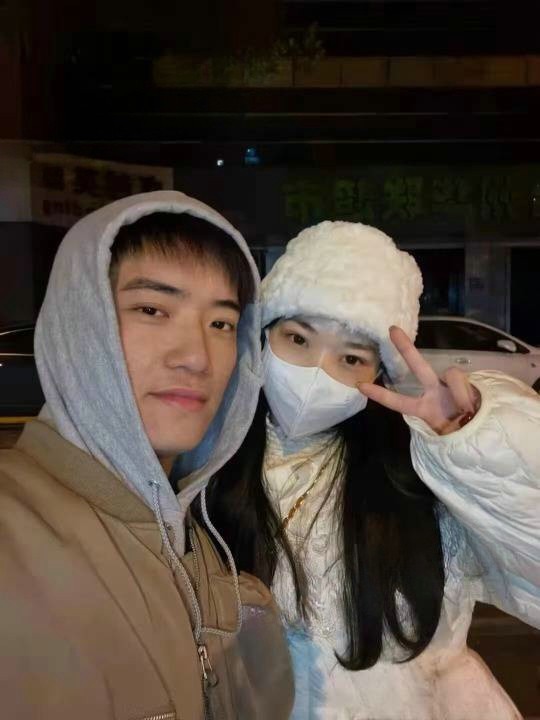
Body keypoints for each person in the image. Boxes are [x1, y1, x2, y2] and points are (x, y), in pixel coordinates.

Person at [204, 220, 540, 720]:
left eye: (350, 357)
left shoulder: (418, 478)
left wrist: (479, 449)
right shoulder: (203, 462)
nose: (317, 373)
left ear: (379, 374)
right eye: (297, 339)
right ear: (263, 335)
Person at [0, 191, 293, 719]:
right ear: (80, 324)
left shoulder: (193, 532)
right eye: (152, 310)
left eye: (221, 324)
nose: (196, 357)